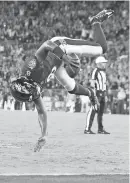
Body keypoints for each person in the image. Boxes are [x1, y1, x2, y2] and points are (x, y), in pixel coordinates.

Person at [10, 9, 114, 152]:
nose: (35, 95)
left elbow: (47, 44)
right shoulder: (30, 88)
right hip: (55, 65)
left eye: (32, 93)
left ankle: (95, 21)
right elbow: (41, 112)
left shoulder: (31, 67)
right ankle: (91, 93)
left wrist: (64, 57)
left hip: (59, 47)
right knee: (71, 87)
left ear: (27, 83)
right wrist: (44, 135)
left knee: (102, 48)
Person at [84, 56, 110, 134]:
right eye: (103, 62)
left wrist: (105, 95)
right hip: (97, 93)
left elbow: (105, 85)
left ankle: (100, 129)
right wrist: (94, 95)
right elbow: (92, 83)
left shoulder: (103, 72)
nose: (105, 64)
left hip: (102, 93)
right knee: (93, 110)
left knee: (101, 113)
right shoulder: (96, 71)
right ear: (99, 63)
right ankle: (87, 129)